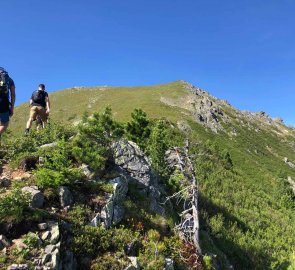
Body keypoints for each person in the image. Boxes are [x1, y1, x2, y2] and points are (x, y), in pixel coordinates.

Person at [0, 67, 16, 138]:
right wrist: (12, 108)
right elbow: (13, 94)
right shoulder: (10, 80)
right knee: (4, 124)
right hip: (3, 103)